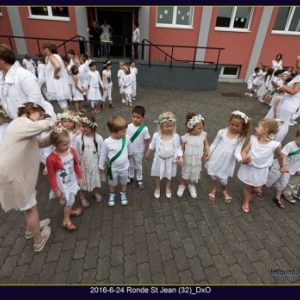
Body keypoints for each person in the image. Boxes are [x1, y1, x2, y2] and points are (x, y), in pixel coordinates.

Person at [0, 102, 55, 252]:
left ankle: (30, 230)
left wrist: (53, 136)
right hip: (14, 176)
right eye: (40, 115)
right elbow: (40, 126)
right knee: (31, 207)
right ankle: (39, 240)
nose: (41, 118)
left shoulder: (24, 129)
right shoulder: (19, 123)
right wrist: (53, 121)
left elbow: (40, 142)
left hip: (13, 175)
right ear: (30, 111)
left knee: (27, 203)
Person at [237, 119, 287, 213]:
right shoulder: (253, 139)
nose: (255, 128)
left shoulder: (274, 145)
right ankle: (246, 201)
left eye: (258, 126)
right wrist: (244, 158)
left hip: (261, 170)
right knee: (247, 187)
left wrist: (282, 166)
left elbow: (280, 156)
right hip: (250, 168)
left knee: (257, 189)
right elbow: (244, 151)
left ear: (265, 130)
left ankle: (251, 194)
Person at [0, 44, 56, 120]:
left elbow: (35, 101)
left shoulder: (23, 75)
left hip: (35, 121)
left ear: (2, 60)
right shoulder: (2, 76)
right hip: (19, 121)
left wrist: (25, 121)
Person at [206, 111, 250, 202]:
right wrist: (208, 153)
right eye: (232, 124)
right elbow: (214, 144)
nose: (234, 127)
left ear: (242, 126)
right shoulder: (221, 132)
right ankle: (213, 189)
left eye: (237, 126)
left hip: (227, 161)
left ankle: (224, 190)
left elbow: (237, 152)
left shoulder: (241, 137)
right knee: (214, 176)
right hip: (216, 158)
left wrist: (241, 160)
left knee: (223, 179)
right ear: (229, 122)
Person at [46, 127, 85, 231]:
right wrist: (55, 190)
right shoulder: (51, 159)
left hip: (71, 182)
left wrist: (80, 177)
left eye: (68, 143)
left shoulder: (71, 151)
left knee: (66, 201)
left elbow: (75, 164)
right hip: (61, 185)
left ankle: (68, 211)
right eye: (64, 144)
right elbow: (51, 176)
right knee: (69, 201)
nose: (68, 146)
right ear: (54, 144)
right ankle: (66, 220)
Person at [145, 112, 183, 198]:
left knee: (168, 175)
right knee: (157, 174)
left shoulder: (175, 136)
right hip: (159, 160)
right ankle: (157, 188)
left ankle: (167, 187)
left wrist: (180, 157)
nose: (169, 128)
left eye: (171, 126)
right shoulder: (156, 136)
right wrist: (147, 154)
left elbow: (178, 147)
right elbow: (152, 145)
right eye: (167, 126)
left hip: (170, 160)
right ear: (161, 126)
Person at [99, 116, 132, 207]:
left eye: (125, 130)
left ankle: (123, 193)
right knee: (112, 182)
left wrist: (129, 155)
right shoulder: (107, 142)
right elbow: (103, 154)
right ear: (113, 131)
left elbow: (129, 149)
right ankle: (112, 194)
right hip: (112, 168)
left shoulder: (126, 138)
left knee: (124, 180)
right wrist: (101, 165)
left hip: (124, 166)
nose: (125, 133)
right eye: (122, 132)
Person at [177, 113, 210, 199]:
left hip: (197, 160)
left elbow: (206, 145)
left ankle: (192, 186)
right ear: (191, 128)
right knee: (185, 172)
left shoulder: (202, 135)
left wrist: (208, 153)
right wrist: (180, 157)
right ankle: (182, 185)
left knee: (195, 172)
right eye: (199, 128)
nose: (201, 130)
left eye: (202, 127)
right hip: (188, 160)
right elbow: (182, 149)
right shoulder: (185, 138)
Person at [266, 127, 300, 208]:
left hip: (289, 171)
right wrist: (283, 166)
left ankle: (277, 197)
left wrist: (298, 169)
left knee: (283, 183)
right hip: (279, 167)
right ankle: (260, 187)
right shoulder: (290, 145)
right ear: (296, 136)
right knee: (270, 179)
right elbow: (283, 156)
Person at [75, 113, 104, 208]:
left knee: (94, 179)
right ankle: (82, 197)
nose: (82, 129)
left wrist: (101, 164)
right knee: (83, 182)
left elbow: (102, 153)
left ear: (91, 126)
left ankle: (94, 191)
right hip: (83, 165)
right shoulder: (79, 138)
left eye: (84, 126)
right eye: (80, 126)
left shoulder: (98, 138)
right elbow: (76, 150)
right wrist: (77, 163)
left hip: (94, 164)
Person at [275, 56, 300, 143]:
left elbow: (293, 91)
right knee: (284, 124)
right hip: (290, 104)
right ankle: (277, 143)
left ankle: (275, 143)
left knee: (280, 124)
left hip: (288, 104)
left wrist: (281, 86)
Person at [127, 106, 150, 189]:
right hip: (129, 150)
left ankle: (139, 179)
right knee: (130, 165)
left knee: (138, 165)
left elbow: (146, 140)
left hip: (139, 151)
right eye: (133, 116)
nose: (135, 119)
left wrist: (147, 151)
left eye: (138, 117)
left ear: (142, 118)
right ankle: (130, 176)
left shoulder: (144, 129)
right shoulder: (128, 126)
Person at [43, 42, 71, 112]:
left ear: (48, 49)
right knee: (63, 102)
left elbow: (57, 66)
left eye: (45, 49)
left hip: (57, 82)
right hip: (60, 81)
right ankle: (67, 116)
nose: (44, 50)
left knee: (62, 102)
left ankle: (66, 116)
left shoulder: (52, 57)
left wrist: (54, 75)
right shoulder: (55, 56)